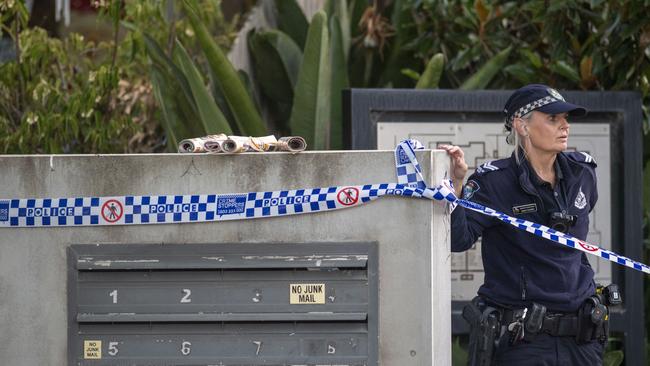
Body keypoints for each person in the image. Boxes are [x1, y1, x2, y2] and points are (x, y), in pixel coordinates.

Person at [440, 84, 615, 365]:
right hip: (523, 341)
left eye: (566, 119)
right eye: (552, 119)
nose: (564, 126)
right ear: (522, 126)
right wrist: (457, 186)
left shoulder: (583, 173)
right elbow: (459, 239)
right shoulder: (493, 182)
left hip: (582, 340)